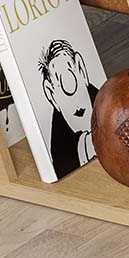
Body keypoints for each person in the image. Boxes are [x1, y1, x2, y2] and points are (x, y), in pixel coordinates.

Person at [38, 39, 99, 178]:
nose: (75, 102)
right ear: (51, 94)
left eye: (71, 77)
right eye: (60, 84)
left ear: (81, 70)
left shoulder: (108, 102)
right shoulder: (60, 151)